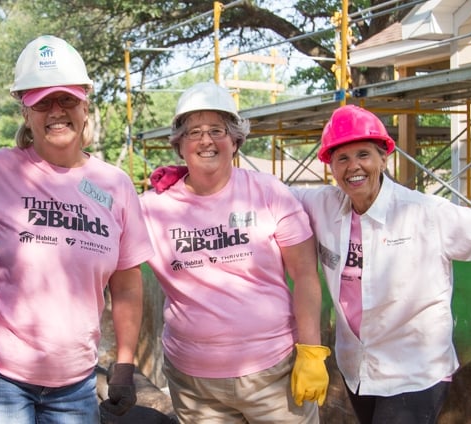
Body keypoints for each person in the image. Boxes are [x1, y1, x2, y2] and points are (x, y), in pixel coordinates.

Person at [288, 104, 471, 424]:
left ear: (384, 157)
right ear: (331, 166)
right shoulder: (322, 205)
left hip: (414, 374)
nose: (354, 166)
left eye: (363, 154)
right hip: (356, 370)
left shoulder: (425, 213)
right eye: (342, 158)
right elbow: (268, 195)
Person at [0, 35, 154, 423]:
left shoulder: (115, 185)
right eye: (43, 102)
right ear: (25, 110)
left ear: (85, 104)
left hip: (76, 381)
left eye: (66, 99)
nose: (57, 111)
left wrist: (123, 366)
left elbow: (126, 284)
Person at [140, 81, 331, 423]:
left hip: (273, 374)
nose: (206, 140)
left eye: (217, 130)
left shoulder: (268, 192)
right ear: (179, 144)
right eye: (194, 131)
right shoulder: (152, 209)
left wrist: (311, 352)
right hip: (195, 384)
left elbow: (304, 275)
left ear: (235, 140)